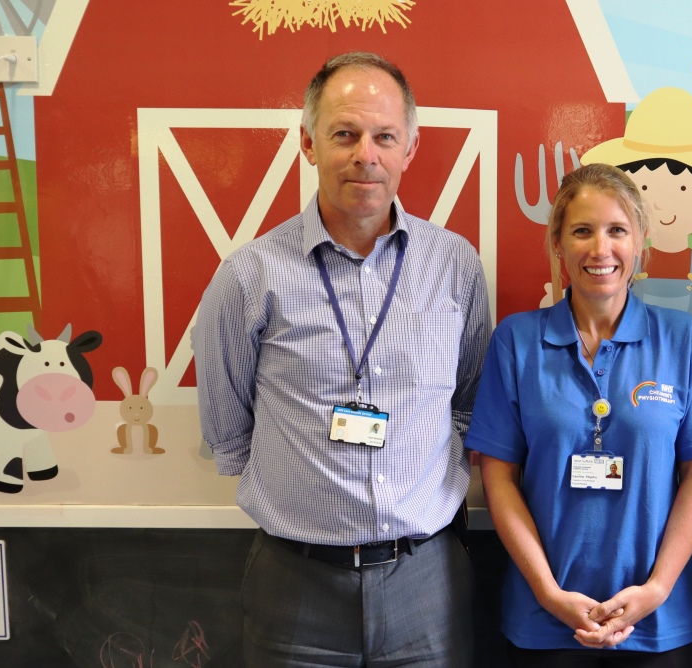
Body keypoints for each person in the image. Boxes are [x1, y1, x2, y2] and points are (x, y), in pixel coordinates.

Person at [192, 52, 490, 667]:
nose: (366, 154)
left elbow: (467, 402)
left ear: (410, 146)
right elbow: (229, 430)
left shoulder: (455, 265)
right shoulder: (250, 275)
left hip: (425, 579)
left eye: (384, 136)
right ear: (308, 142)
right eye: (345, 135)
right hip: (293, 583)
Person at [466, 163, 692, 666]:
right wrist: (547, 593)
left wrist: (656, 588)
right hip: (544, 622)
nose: (600, 249)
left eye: (617, 231)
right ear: (559, 243)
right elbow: (498, 476)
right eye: (582, 231)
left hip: (660, 623)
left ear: (640, 243)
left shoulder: (683, 338)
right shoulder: (516, 341)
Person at [580, 88, 692, 321]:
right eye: (645, 189)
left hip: (688, 356)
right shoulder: (625, 263)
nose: (659, 204)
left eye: (683, 188)